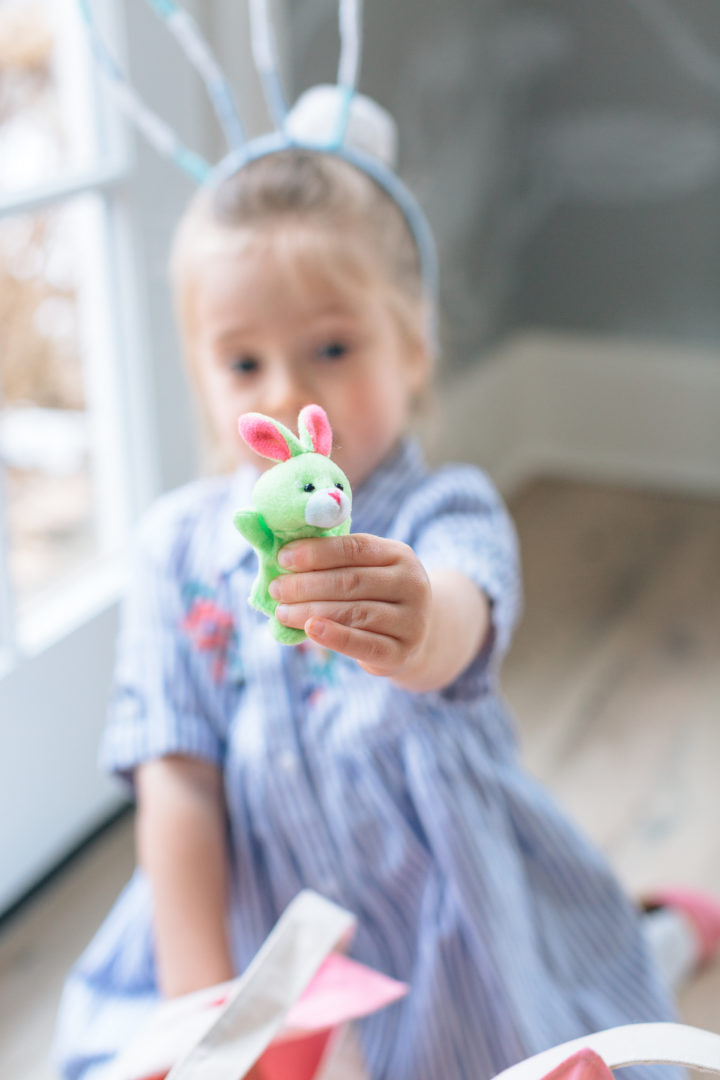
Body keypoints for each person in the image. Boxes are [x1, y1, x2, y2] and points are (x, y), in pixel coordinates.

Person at [53, 103, 719, 1080]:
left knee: (563, 1028)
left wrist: (415, 623)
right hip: (259, 920)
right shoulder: (174, 551)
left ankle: (658, 936)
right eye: (244, 362)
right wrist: (207, 1022)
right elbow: (176, 781)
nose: (283, 391)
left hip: (449, 916)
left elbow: (460, 619)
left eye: (330, 348)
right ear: (202, 379)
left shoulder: (447, 509)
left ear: (413, 347)